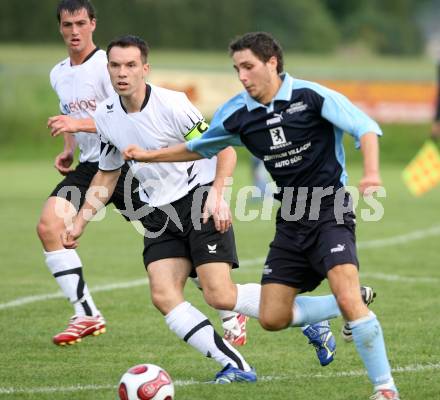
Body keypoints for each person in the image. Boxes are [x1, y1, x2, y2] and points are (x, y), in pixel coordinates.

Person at [123, 32, 399, 399]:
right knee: (272, 317)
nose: (242, 76)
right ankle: (344, 307)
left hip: (330, 206)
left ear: (272, 64)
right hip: (290, 218)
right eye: (237, 68)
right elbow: (198, 147)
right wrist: (148, 156)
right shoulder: (238, 113)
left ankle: (385, 389)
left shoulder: (310, 96)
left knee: (346, 289)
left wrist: (373, 173)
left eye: (248, 67)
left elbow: (365, 127)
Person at [37, 0, 247, 348]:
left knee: (184, 245)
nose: (74, 31)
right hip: (99, 166)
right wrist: (69, 148)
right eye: (66, 25)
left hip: (137, 168)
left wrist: (217, 191)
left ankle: (230, 308)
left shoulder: (112, 67)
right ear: (59, 28)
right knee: (49, 226)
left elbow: (125, 118)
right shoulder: (58, 73)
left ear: (92, 24)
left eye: (80, 23)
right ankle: (85, 311)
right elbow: (94, 120)